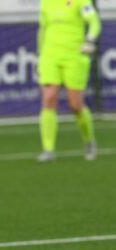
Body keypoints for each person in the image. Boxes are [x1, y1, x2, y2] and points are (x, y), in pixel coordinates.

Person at [36, 0, 102, 162]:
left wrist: (90, 40)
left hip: (74, 56)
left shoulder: (81, 1)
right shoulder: (46, 2)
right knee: (49, 97)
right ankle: (48, 149)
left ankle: (89, 140)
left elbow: (94, 22)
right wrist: (39, 55)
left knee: (75, 105)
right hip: (50, 55)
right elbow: (42, 29)